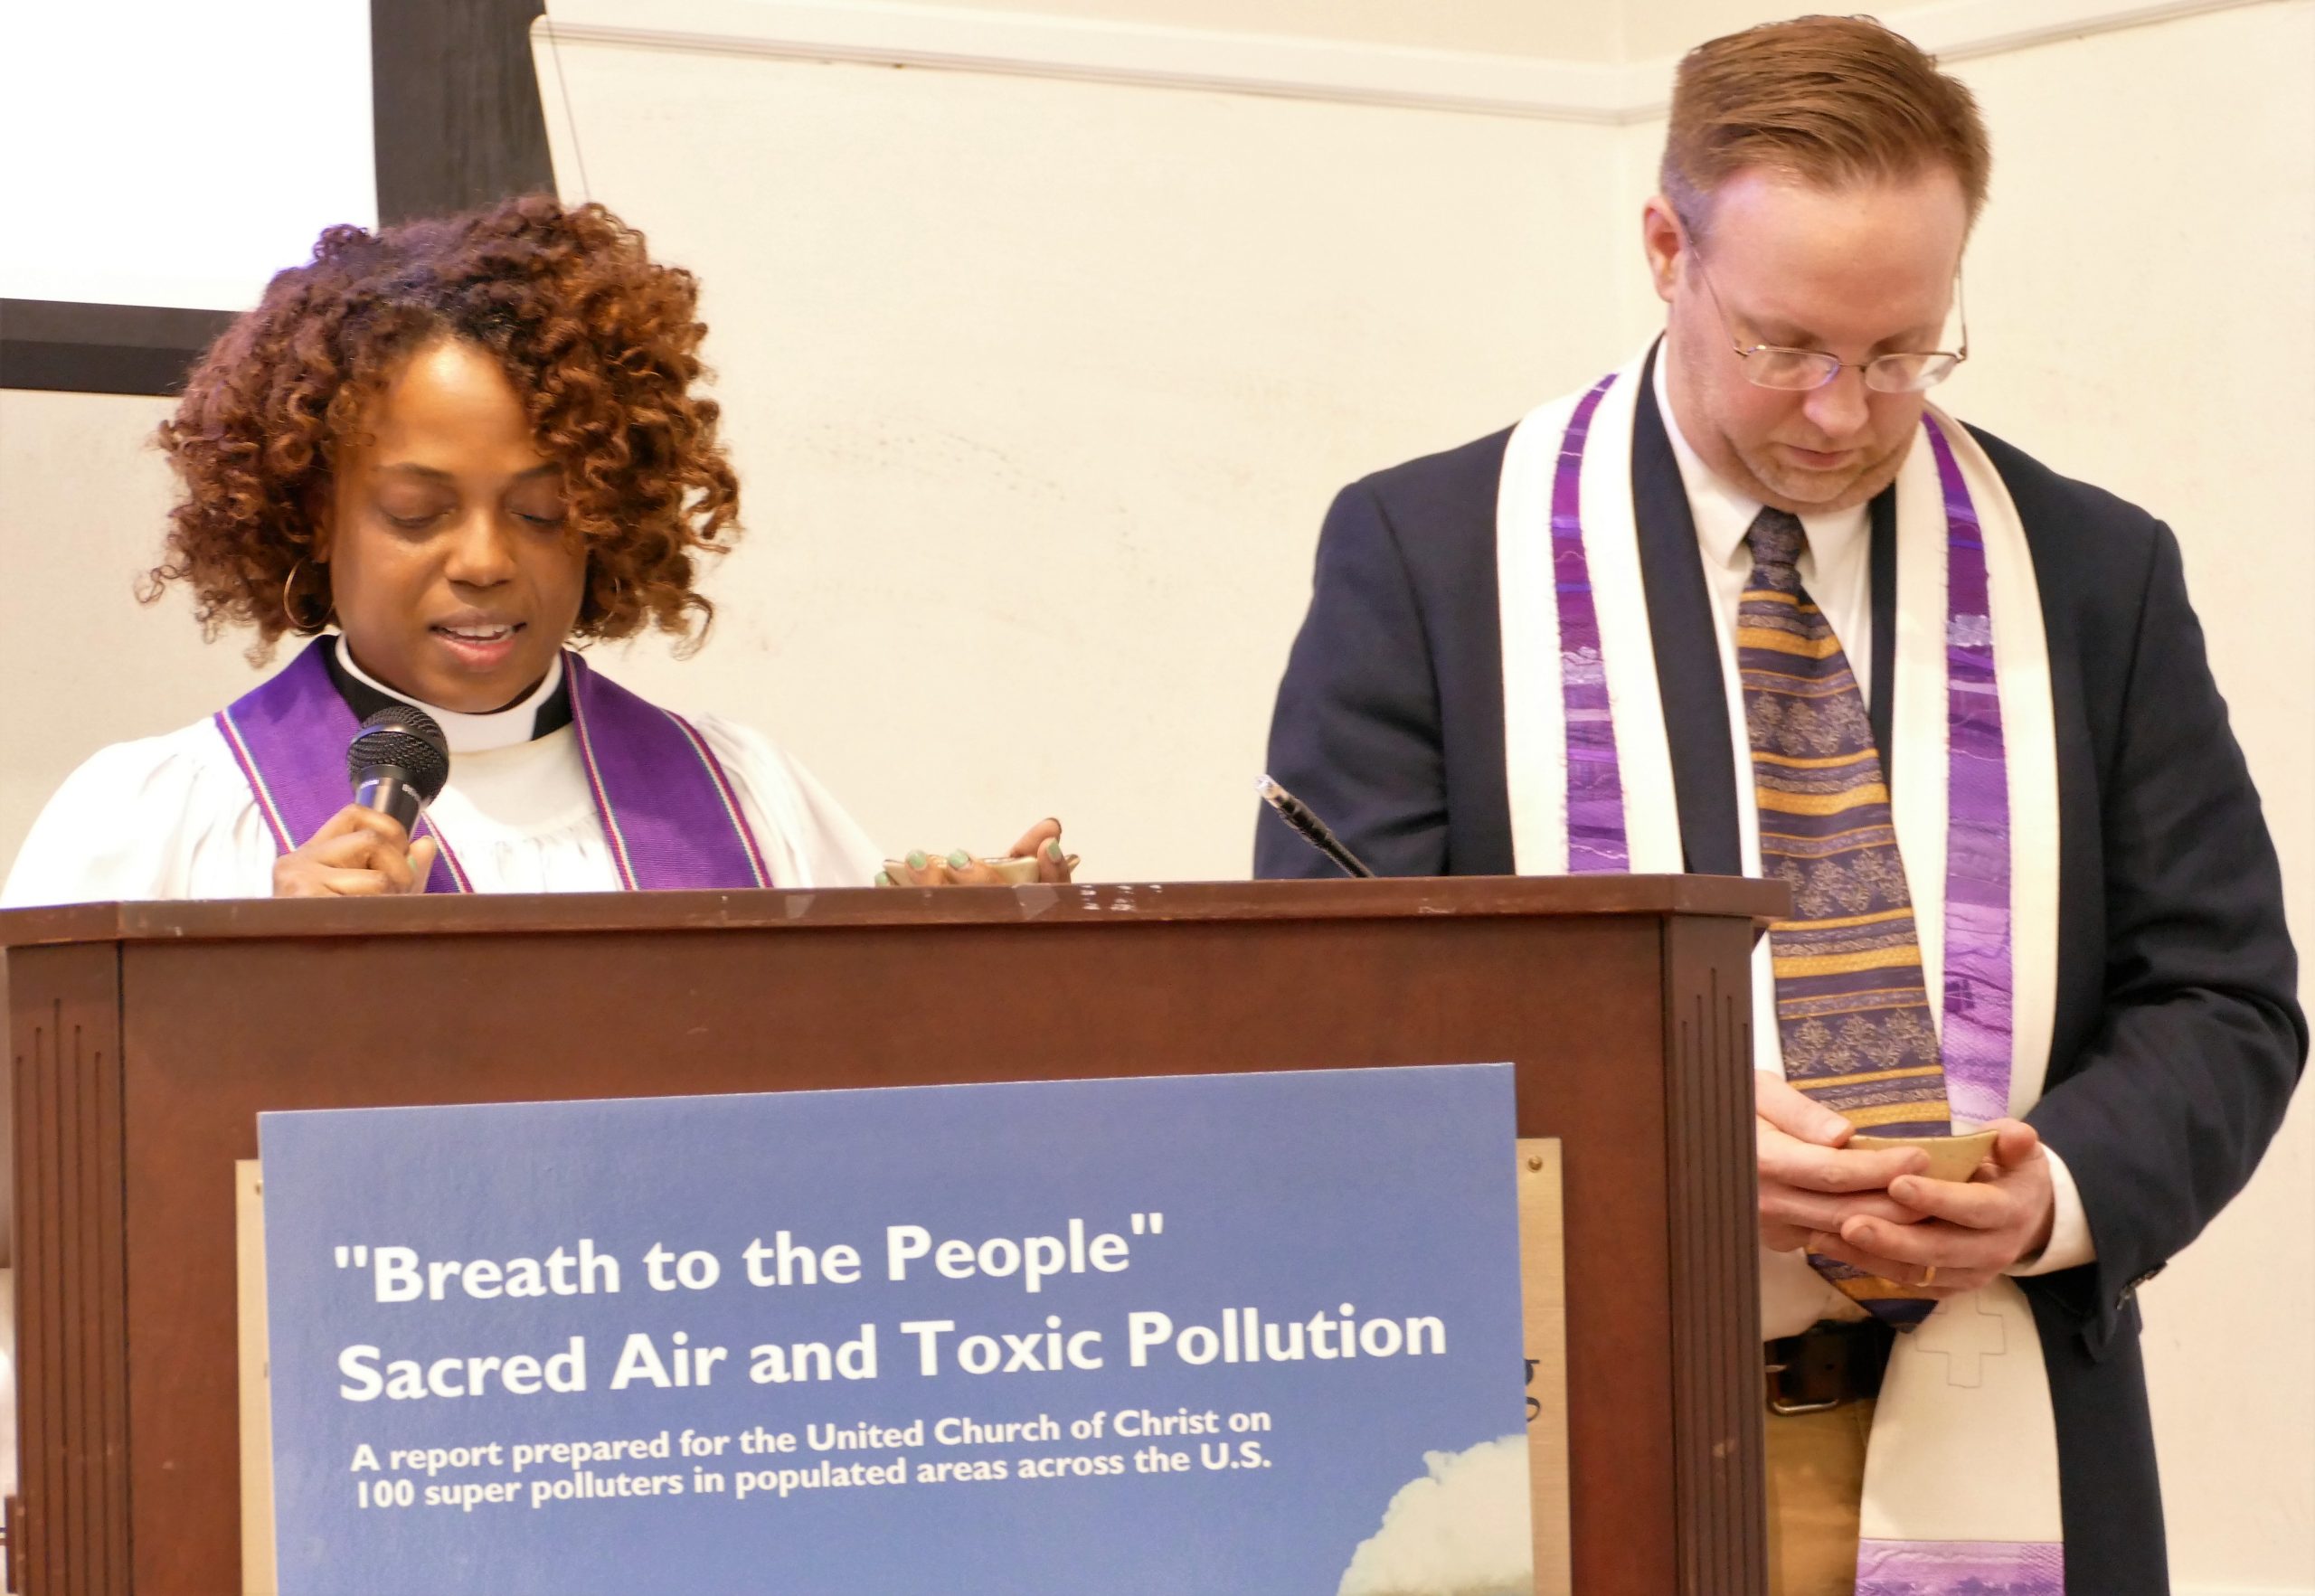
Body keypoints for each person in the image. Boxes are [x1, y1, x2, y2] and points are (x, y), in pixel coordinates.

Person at [1255, 17, 2301, 1595]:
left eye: (1899, 354)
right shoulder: (1427, 554)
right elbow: (1328, 1014)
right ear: (1667, 248)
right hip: (1564, 1444)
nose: (1841, 411)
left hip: (2002, 1440)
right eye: (1786, 344)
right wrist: (1647, 1135)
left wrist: (2047, 1198)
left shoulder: (2095, 573)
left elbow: (2222, 997)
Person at [0, 196, 1068, 907]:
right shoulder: (163, 818)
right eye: (417, 512)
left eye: (544, 512)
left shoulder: (742, 796)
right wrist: (254, 983)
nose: (484, 560)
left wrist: (945, 949)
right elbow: (48, 1174)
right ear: (310, 512)